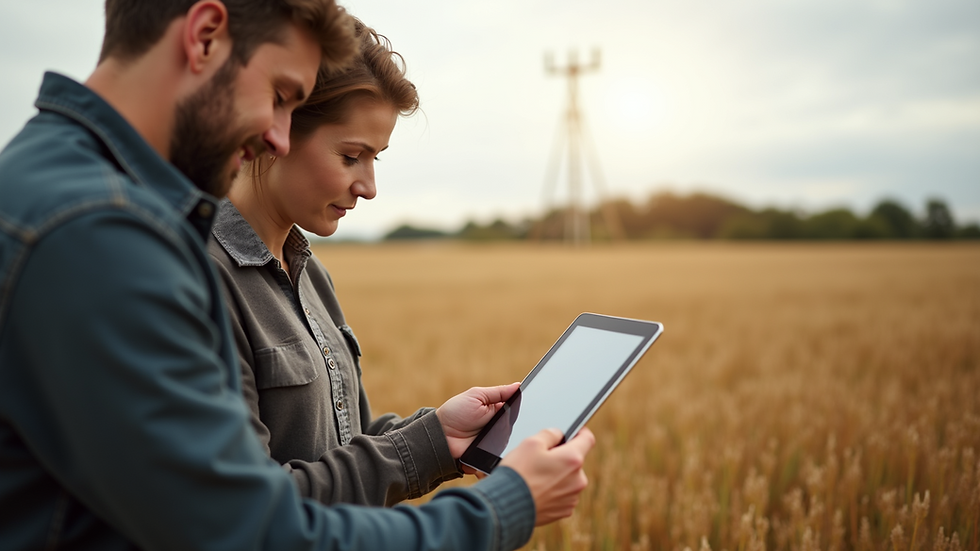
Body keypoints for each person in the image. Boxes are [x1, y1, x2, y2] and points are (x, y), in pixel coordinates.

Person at [0, 1, 594, 550]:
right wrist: (499, 510)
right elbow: (252, 530)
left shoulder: (70, 195)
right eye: (281, 95)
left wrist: (435, 437)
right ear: (204, 36)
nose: (276, 139)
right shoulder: (100, 234)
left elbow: (310, 466)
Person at [209, 18, 560, 507]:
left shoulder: (311, 275)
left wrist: (441, 432)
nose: (369, 186)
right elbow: (253, 508)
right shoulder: (202, 279)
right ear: (277, 128)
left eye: (377, 158)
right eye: (352, 156)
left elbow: (345, 445)